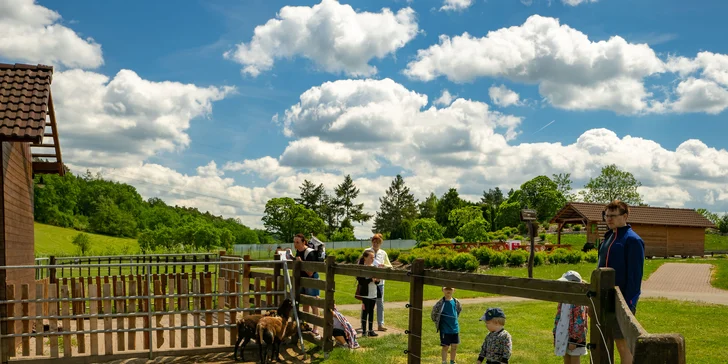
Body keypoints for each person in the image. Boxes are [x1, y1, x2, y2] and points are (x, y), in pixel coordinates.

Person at [597, 200, 644, 364]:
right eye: (607, 216)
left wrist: (628, 303)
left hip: (622, 301)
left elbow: (635, 276)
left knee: (623, 345)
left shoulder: (632, 240)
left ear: (625, 216)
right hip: (602, 300)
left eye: (613, 215)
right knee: (602, 341)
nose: (609, 219)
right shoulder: (608, 238)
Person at [553, 271, 588, 364]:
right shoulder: (563, 299)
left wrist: (574, 340)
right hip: (564, 334)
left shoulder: (578, 302)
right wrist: (555, 333)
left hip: (575, 339)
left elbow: (579, 322)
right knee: (566, 359)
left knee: (574, 359)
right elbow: (558, 317)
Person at [294, 233, 322, 338]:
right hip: (302, 281)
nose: (295, 244)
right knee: (305, 303)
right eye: (294, 242)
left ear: (304, 242)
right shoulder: (298, 252)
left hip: (311, 280)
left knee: (314, 304)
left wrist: (300, 263)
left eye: (297, 242)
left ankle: (316, 329)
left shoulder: (310, 253)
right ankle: (305, 325)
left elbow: (310, 272)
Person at [364, 233, 392, 332]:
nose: (375, 244)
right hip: (368, 282)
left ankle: (380, 324)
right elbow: (362, 264)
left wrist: (383, 265)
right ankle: (365, 324)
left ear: (381, 243)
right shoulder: (367, 251)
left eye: (378, 242)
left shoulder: (383, 253)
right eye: (374, 242)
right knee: (367, 303)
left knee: (380, 303)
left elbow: (390, 266)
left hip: (380, 283)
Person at [431, 287, 462, 364]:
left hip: (455, 328)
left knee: (454, 346)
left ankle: (452, 361)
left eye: (450, 289)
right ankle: (444, 361)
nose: (448, 291)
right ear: (442, 290)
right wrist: (438, 322)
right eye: (446, 289)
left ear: (454, 290)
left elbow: (458, 310)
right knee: (445, 346)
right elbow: (434, 314)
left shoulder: (456, 302)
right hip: (445, 329)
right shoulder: (440, 303)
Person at [355, 250, 380, 337]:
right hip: (365, 294)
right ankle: (364, 331)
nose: (372, 259)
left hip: (374, 293)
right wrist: (370, 279)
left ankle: (371, 330)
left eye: (373, 257)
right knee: (365, 312)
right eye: (371, 257)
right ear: (365, 258)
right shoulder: (361, 268)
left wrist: (377, 280)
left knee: (372, 311)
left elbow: (377, 281)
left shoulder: (374, 267)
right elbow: (361, 281)